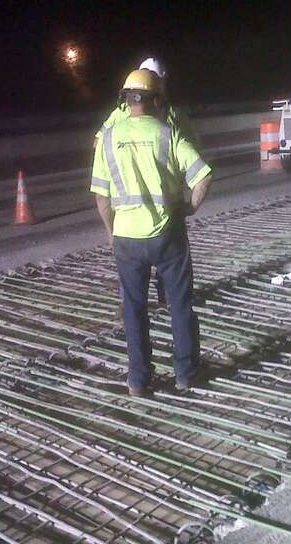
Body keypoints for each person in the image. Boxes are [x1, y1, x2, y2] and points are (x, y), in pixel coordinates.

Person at [90, 69, 213, 395]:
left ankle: (138, 380)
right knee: (180, 304)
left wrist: (111, 232)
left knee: (133, 308)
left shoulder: (109, 138)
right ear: (157, 98)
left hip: (127, 238)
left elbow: (102, 197)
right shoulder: (166, 133)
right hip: (166, 233)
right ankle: (185, 374)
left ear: (126, 99)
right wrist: (191, 206)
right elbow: (203, 175)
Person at [96, 58, 194, 315]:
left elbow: (190, 148)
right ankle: (134, 303)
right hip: (135, 201)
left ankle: (166, 300)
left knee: (165, 256)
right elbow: (100, 143)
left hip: (165, 200)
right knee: (149, 256)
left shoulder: (172, 114)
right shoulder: (121, 114)